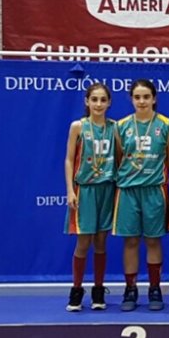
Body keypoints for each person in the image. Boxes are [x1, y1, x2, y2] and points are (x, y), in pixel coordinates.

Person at [114, 78, 169, 311]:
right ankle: (130, 289)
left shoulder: (166, 125)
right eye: (137, 97)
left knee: (153, 240)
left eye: (146, 97)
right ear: (131, 99)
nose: (141, 101)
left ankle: (154, 288)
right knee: (130, 241)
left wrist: (153, 175)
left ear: (154, 98)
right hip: (128, 191)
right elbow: (120, 158)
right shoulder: (121, 126)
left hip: (154, 190)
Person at [63, 83, 117, 311]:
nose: (98, 104)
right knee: (83, 241)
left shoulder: (115, 128)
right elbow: (68, 159)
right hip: (85, 189)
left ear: (109, 103)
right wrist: (70, 189)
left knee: (101, 242)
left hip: (107, 188)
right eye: (94, 99)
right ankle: (76, 289)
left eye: (103, 100)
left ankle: (98, 289)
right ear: (87, 101)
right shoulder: (78, 126)